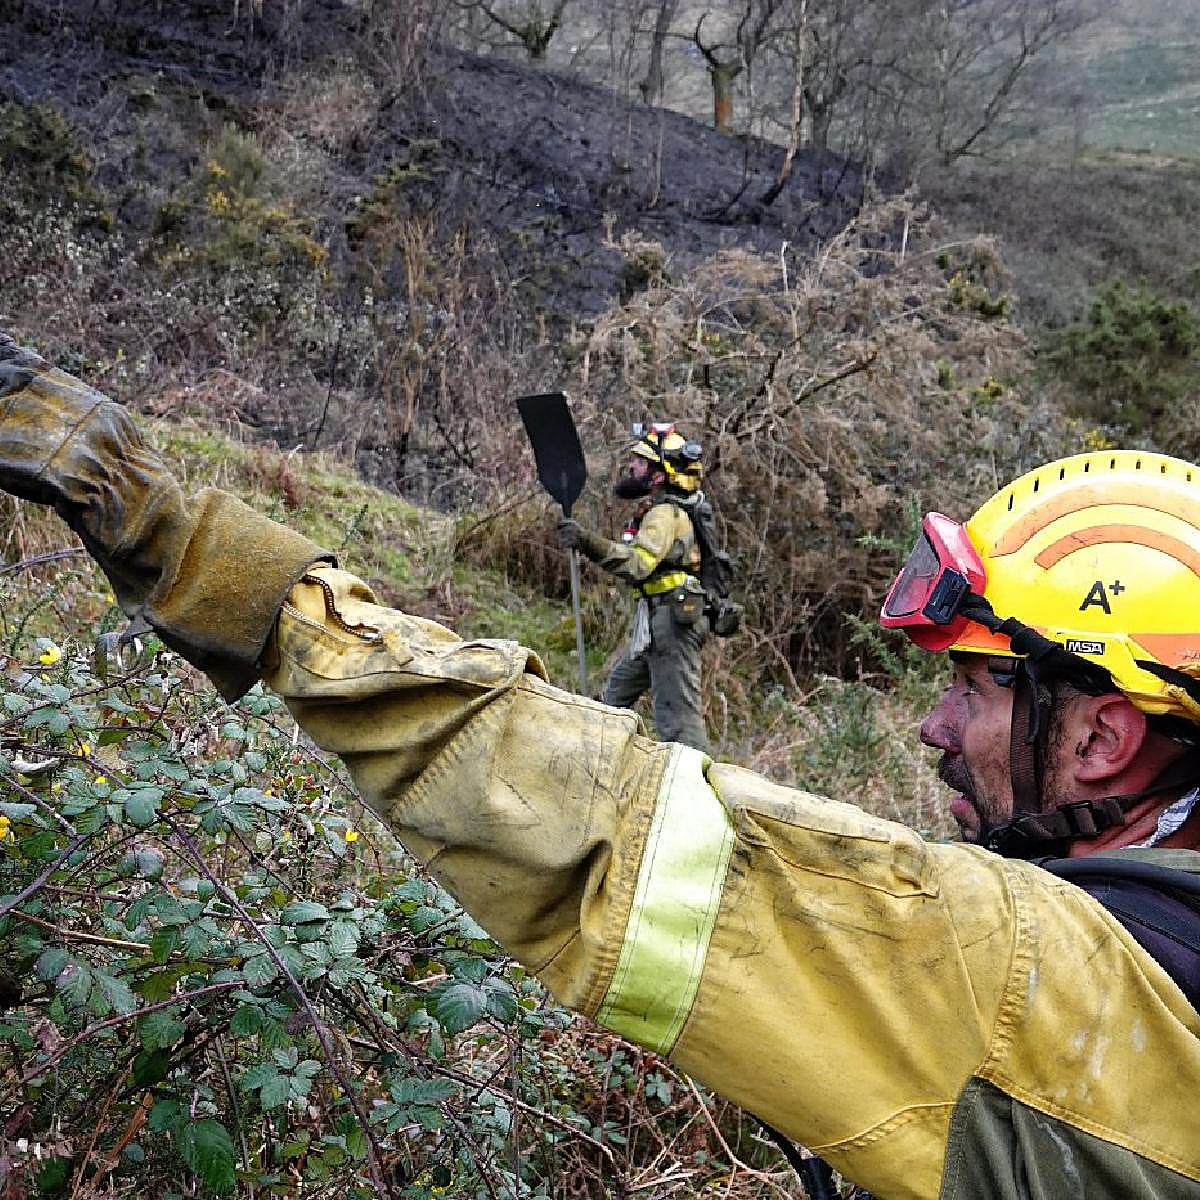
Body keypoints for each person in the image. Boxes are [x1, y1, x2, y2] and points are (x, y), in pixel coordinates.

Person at [1, 333, 1198, 1199]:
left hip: (663, 633)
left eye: (976, 683)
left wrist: (190, 547)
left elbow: (605, 826)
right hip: (644, 634)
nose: (934, 728)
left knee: (658, 737)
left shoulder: (1040, 986)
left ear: (1101, 735)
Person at [557, 422, 711, 752]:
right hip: (656, 622)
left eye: (640, 461)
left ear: (658, 475)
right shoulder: (654, 510)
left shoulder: (666, 514)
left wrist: (587, 542)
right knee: (617, 695)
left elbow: (638, 564)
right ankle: (600, 759)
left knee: (678, 721)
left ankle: (695, 789)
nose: (632, 467)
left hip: (673, 622)